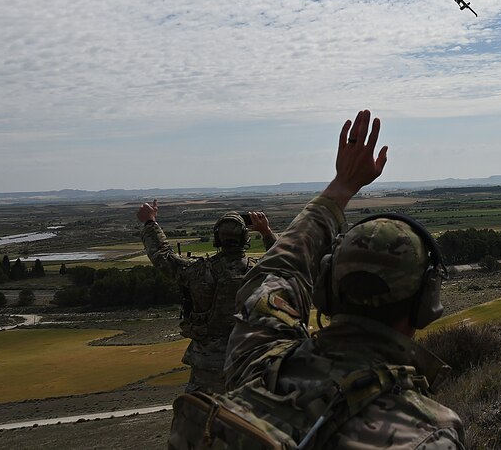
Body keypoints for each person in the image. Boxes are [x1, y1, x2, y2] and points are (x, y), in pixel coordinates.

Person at [169, 110, 464, 449]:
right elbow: (276, 273)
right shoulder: (427, 435)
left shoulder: (259, 363)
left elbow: (275, 274)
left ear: (325, 289)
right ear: (427, 304)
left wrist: (342, 186)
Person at [137, 200, 277, 393]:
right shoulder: (259, 272)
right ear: (245, 237)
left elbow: (162, 256)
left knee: (201, 416)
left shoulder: (198, 271)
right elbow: (285, 261)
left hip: (207, 365)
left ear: (217, 238)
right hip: (249, 361)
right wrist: (266, 232)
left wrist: (150, 222)